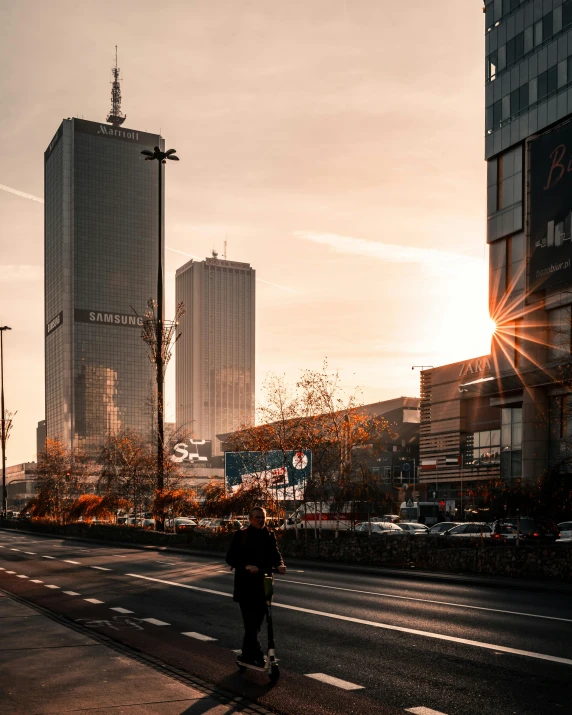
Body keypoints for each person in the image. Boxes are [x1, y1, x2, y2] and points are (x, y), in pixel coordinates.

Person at [226, 506, 286, 666]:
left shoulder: (269, 534)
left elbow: (275, 553)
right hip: (245, 586)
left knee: (256, 624)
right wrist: (246, 566)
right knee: (250, 623)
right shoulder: (242, 535)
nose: (260, 520)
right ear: (250, 519)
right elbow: (230, 558)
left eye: (263, 517)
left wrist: (280, 564)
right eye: (257, 517)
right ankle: (258, 656)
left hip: (265, 584)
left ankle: (246, 655)